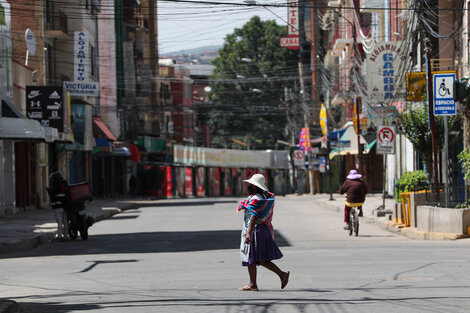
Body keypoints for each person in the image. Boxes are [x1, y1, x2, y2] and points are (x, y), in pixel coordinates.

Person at [237, 173, 290, 291]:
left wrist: (249, 233)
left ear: (255, 186)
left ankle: (281, 275)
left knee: (257, 258)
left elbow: (254, 216)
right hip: (258, 230)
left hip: (256, 231)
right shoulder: (257, 197)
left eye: (250, 184)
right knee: (254, 258)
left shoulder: (257, 199)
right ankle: (254, 284)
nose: (249, 185)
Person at [47, 172, 69, 241]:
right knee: (65, 222)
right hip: (65, 207)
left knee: (59, 222)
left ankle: (59, 236)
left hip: (58, 207)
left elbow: (53, 195)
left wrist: (48, 190)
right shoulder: (64, 185)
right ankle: (66, 236)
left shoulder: (56, 186)